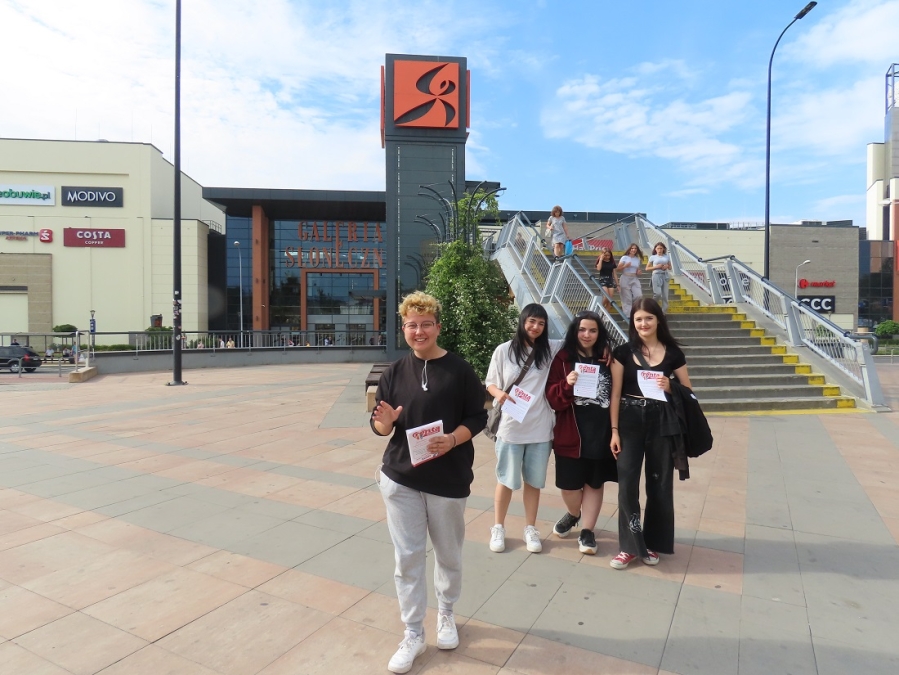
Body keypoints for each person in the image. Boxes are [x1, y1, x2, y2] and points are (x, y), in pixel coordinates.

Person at [371, 291, 487, 674]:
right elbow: (380, 425)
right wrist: (384, 423)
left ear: (438, 327)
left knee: (448, 554)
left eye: (425, 324)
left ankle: (447, 613)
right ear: (403, 328)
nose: (418, 331)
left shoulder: (460, 370)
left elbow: (478, 417)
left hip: (448, 479)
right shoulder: (393, 372)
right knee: (407, 558)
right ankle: (413, 632)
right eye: (411, 325)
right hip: (401, 478)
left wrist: (452, 439)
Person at [609, 297, 692, 570]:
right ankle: (629, 546)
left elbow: (688, 391)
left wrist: (671, 386)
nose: (643, 323)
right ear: (632, 322)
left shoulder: (673, 354)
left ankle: (653, 542)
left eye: (648, 318)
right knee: (627, 485)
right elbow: (615, 394)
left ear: (658, 320)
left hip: (662, 422)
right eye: (638, 319)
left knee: (660, 484)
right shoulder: (622, 352)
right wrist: (614, 431)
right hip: (629, 420)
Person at [485, 304, 561, 554]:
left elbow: (581, 340)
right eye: (531, 321)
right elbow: (490, 383)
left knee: (534, 482)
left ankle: (530, 528)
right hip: (511, 427)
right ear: (522, 321)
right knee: (506, 479)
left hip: (540, 428)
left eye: (541, 323)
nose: (535, 327)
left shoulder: (550, 349)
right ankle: (498, 527)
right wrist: (500, 394)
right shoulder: (504, 350)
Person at [546, 311, 618, 555]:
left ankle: (588, 531)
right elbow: (553, 398)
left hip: (601, 432)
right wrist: (567, 384)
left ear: (600, 333)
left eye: (593, 330)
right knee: (568, 486)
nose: (587, 335)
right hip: (571, 433)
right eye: (582, 330)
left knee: (595, 483)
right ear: (574, 331)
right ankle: (574, 513)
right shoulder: (563, 358)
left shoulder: (607, 358)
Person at [616, 243, 644, 319]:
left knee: (638, 295)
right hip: (625, 277)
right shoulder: (624, 258)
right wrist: (625, 266)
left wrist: (638, 272)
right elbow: (618, 269)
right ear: (629, 249)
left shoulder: (637, 259)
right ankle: (628, 316)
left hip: (634, 278)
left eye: (635, 249)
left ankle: (634, 311)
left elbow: (637, 269)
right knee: (626, 298)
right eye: (632, 248)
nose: (634, 250)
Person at [646, 242, 672, 312]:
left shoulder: (666, 257)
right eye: (658, 248)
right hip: (656, 275)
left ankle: (663, 312)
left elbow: (670, 267)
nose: (659, 250)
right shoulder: (653, 257)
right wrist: (656, 267)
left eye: (661, 248)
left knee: (665, 295)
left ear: (663, 249)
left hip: (664, 275)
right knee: (657, 293)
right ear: (655, 249)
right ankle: (652, 306)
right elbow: (647, 268)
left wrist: (667, 266)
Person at [594, 247, 619, 313]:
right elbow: (598, 269)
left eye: (609, 255)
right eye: (606, 255)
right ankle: (598, 308)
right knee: (606, 295)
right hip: (603, 279)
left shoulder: (612, 263)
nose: (607, 257)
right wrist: (601, 259)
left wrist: (617, 285)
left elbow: (615, 274)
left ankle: (605, 314)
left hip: (610, 280)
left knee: (610, 298)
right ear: (602, 254)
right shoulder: (601, 261)